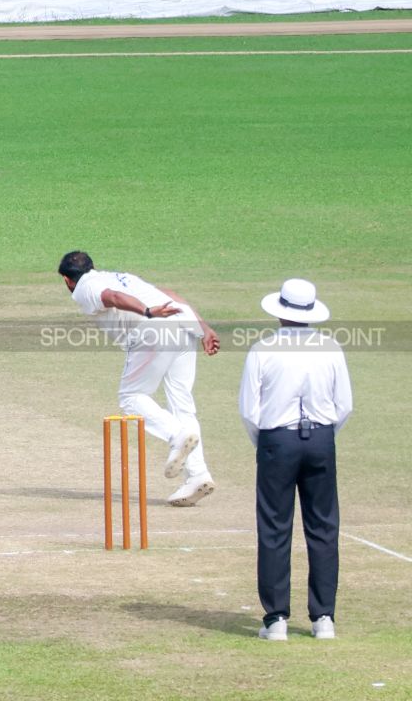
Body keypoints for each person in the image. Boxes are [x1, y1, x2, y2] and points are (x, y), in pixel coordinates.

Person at [58, 251, 221, 506]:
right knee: (183, 405)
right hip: (183, 326)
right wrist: (204, 327)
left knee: (131, 397)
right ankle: (198, 475)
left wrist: (147, 312)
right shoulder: (119, 276)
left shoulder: (84, 287)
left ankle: (176, 435)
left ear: (67, 280)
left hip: (154, 329)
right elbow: (170, 294)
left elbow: (112, 297)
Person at [240, 279, 352, 642]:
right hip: (321, 438)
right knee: (323, 527)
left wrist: (267, 444)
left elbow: (249, 410)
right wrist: (323, 438)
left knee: (274, 527)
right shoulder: (330, 347)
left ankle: (276, 619)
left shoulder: (263, 349)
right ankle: (324, 618)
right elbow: (344, 405)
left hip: (277, 439)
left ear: (280, 312)